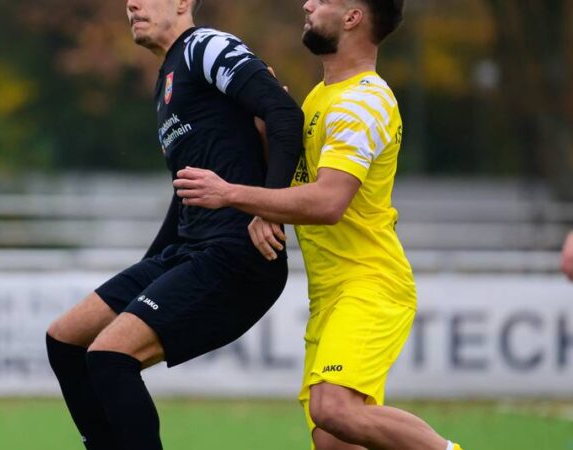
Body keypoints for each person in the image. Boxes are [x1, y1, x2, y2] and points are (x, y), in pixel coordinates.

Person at [173, 1, 463, 449]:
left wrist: (229, 193)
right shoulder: (320, 98)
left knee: (333, 409)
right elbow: (298, 185)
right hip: (329, 292)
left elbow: (328, 202)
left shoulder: (363, 102)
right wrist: (264, 133)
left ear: (352, 18)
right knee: (332, 439)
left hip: (369, 284)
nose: (307, 3)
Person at [45, 0, 304, 448]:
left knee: (109, 357)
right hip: (190, 249)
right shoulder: (168, 77)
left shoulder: (206, 47)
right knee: (65, 341)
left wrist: (270, 208)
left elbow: (285, 114)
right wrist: (145, 275)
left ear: (183, 2)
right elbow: (185, 192)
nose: (131, 5)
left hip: (236, 256)